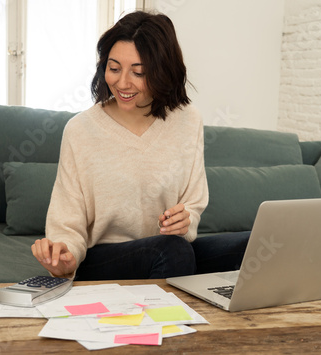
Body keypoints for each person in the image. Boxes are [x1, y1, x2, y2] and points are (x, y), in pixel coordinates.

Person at [31, 11, 250, 281]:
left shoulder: (188, 120)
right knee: (172, 251)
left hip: (173, 249)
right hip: (106, 259)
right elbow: (67, 222)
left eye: (139, 72)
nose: (122, 83)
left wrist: (185, 221)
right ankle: (176, 323)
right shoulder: (80, 130)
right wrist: (64, 255)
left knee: (258, 243)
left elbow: (192, 204)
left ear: (162, 71)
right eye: (114, 68)